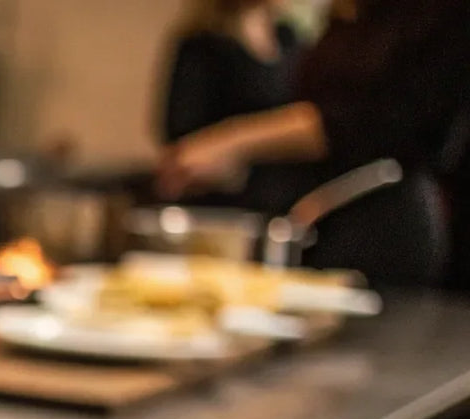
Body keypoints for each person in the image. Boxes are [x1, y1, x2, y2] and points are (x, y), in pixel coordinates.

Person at [159, 0, 470, 286]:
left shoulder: (434, 14)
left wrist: (233, 142)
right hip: (311, 218)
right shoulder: (355, 14)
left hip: (379, 213)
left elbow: (374, 121)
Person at [159, 0, 305, 212]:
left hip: (285, 199)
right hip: (222, 202)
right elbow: (181, 133)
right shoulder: (204, 43)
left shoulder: (289, 38)